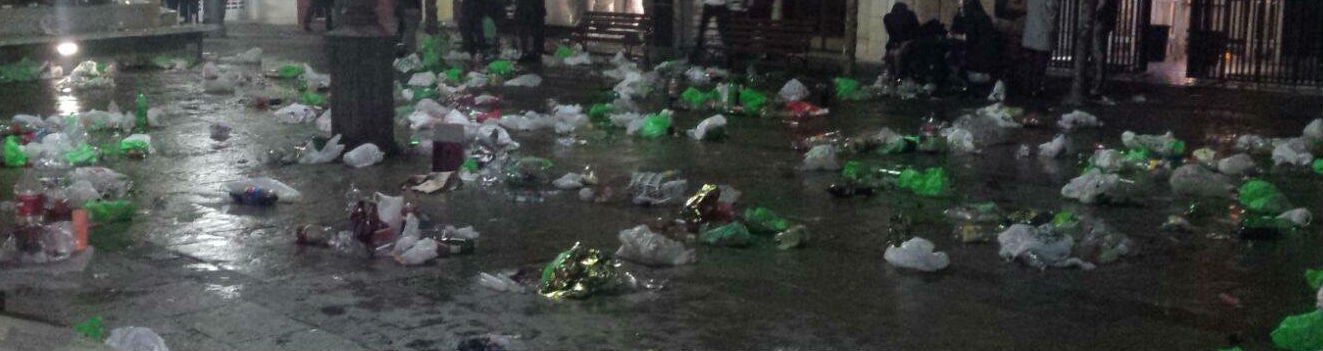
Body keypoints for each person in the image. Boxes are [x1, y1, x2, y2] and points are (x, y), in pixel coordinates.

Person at [950, 0, 1001, 83]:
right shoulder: (961, 18)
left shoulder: (979, 19)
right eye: (959, 9)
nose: (961, 11)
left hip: (980, 68)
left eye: (962, 8)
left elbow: (972, 37)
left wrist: (955, 37)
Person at [1021, 0, 1059, 97]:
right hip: (1043, 32)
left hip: (1030, 32)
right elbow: (1052, 10)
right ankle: (1036, 89)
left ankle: (1027, 88)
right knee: (1040, 66)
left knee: (1029, 65)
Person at [1090, 0, 1120, 96]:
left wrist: (1094, 13)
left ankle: (1097, 86)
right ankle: (1097, 84)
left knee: (1098, 53)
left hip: (1100, 20)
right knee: (1099, 53)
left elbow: (1102, 3)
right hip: (1105, 20)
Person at [883, 2, 920, 79]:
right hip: (896, 44)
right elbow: (891, 33)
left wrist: (904, 44)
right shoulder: (889, 18)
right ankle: (892, 78)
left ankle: (897, 79)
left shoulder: (909, 17)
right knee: (891, 55)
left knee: (896, 55)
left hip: (908, 44)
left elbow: (915, 33)